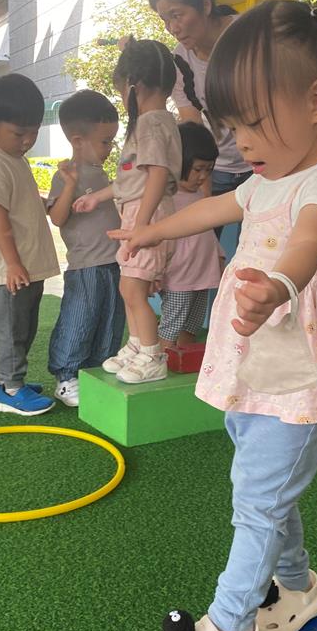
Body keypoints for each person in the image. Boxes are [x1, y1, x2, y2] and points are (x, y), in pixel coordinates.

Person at [111, 0, 317, 631]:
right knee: (265, 489)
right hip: (253, 368)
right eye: (232, 125)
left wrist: (279, 284)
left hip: (294, 371)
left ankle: (230, 627)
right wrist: (149, 230)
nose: (241, 141)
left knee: (257, 501)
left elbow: (309, 239)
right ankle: (297, 586)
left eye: (254, 120)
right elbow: (209, 208)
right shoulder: (265, 181)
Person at [73, 39, 181, 385]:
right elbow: (132, 181)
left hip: (147, 217)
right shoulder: (153, 122)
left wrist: (144, 225)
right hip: (140, 214)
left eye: (121, 91)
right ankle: (137, 345)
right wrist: (98, 197)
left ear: (135, 86)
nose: (122, 99)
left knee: (134, 289)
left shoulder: (151, 124)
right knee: (128, 287)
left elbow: (158, 174)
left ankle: (152, 354)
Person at [0, 74, 60, 414]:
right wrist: (12, 263)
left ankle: (1, 382)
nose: (27, 140)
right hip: (12, 268)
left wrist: (45, 203)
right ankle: (11, 389)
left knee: (24, 325)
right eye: (19, 133)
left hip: (26, 265)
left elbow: (21, 201)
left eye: (33, 132)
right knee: (13, 329)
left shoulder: (14, 158)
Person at [149, 0, 251, 243]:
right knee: (199, 245)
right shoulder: (180, 60)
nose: (172, 28)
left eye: (177, 15)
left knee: (257, 247)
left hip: (260, 165)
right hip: (215, 167)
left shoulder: (247, 37)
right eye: (165, 20)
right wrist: (202, 179)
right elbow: (192, 124)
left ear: (205, 5)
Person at [46, 90, 126, 407]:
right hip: (86, 266)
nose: (110, 148)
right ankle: (66, 377)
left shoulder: (102, 173)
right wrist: (69, 185)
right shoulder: (66, 175)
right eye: (105, 141)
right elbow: (57, 217)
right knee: (79, 319)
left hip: (113, 262)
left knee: (110, 320)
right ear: (78, 141)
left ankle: (97, 372)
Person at [159, 121, 221, 348]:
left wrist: (219, 254)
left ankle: (183, 363)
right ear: (178, 161)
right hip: (179, 277)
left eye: (209, 170)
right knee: (171, 327)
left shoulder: (199, 198)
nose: (203, 176)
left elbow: (206, 232)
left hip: (202, 274)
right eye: (198, 169)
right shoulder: (166, 199)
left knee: (191, 327)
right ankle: (159, 361)